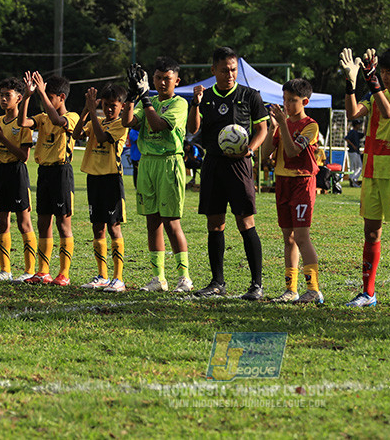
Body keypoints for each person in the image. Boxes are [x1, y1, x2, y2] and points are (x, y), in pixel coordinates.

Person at [340, 46, 390, 309]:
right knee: (371, 233)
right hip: (372, 171)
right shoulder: (376, 93)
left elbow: (389, 112)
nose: (385, 77)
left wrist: (373, 81)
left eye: (389, 73)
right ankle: (368, 293)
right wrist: (351, 82)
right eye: (382, 72)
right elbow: (353, 113)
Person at [188, 47, 269, 300]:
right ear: (214, 70)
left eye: (233, 70)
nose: (230, 74)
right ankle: (217, 283)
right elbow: (193, 129)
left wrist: (249, 150)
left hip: (240, 165)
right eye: (224, 70)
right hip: (212, 164)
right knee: (215, 224)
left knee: (246, 222)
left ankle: (256, 285)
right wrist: (195, 103)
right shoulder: (206, 97)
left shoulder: (250, 95)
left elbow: (262, 130)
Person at [121, 57, 193, 293]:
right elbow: (127, 122)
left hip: (169, 163)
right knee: (152, 222)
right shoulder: (147, 100)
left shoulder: (179, 103)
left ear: (176, 81)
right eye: (158, 78)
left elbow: (158, 125)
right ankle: (158, 278)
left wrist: (143, 97)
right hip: (147, 163)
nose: (162, 83)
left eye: (167, 79)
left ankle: (184, 277)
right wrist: (131, 96)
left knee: (171, 222)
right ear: (152, 79)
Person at [260, 78, 323, 304]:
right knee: (288, 238)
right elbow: (265, 153)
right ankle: (291, 289)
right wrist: (273, 127)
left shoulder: (310, 125)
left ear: (304, 101)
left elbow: (293, 150)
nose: (286, 105)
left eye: (292, 100)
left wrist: (283, 126)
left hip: (302, 183)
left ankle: (313, 290)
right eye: (284, 99)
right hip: (283, 182)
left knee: (302, 237)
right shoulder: (282, 124)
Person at [19, 71, 80, 285]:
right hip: (44, 172)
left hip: (61, 172)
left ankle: (64, 273)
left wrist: (42, 92)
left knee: (63, 224)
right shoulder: (42, 118)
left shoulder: (72, 117)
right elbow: (22, 121)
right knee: (43, 221)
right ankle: (43, 271)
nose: (44, 102)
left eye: (49, 97)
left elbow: (57, 119)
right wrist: (27, 96)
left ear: (61, 98)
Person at [0, 77, 36, 282]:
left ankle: (30, 270)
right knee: (1, 222)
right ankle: (5, 270)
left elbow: (24, 156)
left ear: (19, 98)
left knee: (23, 222)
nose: (3, 99)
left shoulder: (24, 123)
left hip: (17, 172)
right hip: (0, 172)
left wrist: (2, 139)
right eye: (1, 95)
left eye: (8, 95)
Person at [78, 83, 129, 292]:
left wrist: (92, 111)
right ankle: (102, 275)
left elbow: (101, 137)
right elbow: (76, 134)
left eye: (113, 106)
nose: (108, 109)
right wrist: (86, 109)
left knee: (113, 226)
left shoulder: (121, 125)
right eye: (105, 105)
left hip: (111, 180)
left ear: (122, 107)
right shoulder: (96, 120)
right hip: (94, 179)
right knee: (97, 227)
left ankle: (118, 278)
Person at [345, 120, 364, 187]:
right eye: (358, 124)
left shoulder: (356, 133)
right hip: (353, 151)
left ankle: (353, 179)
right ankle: (353, 179)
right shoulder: (352, 132)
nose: (359, 126)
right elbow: (347, 138)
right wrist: (353, 146)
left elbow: (363, 135)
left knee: (358, 167)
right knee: (356, 166)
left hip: (356, 152)